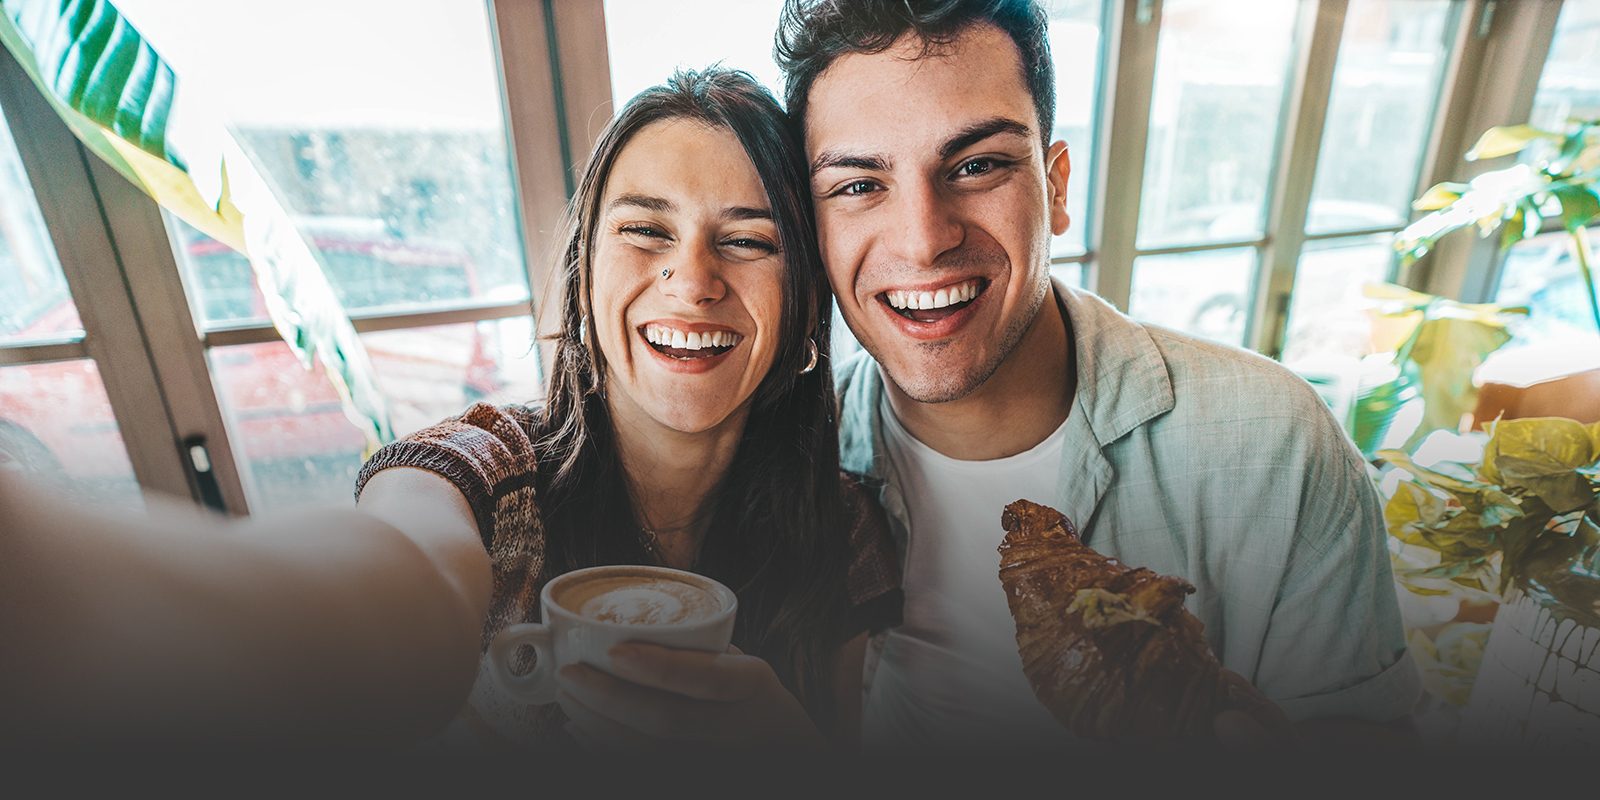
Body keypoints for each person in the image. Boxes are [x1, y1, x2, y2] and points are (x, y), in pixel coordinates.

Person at [0, 68, 901, 750]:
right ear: (585, 279)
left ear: (805, 313)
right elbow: (401, 577)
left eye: (747, 240)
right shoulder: (484, 473)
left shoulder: (847, 522)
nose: (693, 280)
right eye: (645, 230)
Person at [767, 0, 1422, 751]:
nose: (924, 241)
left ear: (1057, 188)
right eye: (857, 185)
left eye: (977, 166)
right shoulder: (798, 465)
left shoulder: (1278, 446)